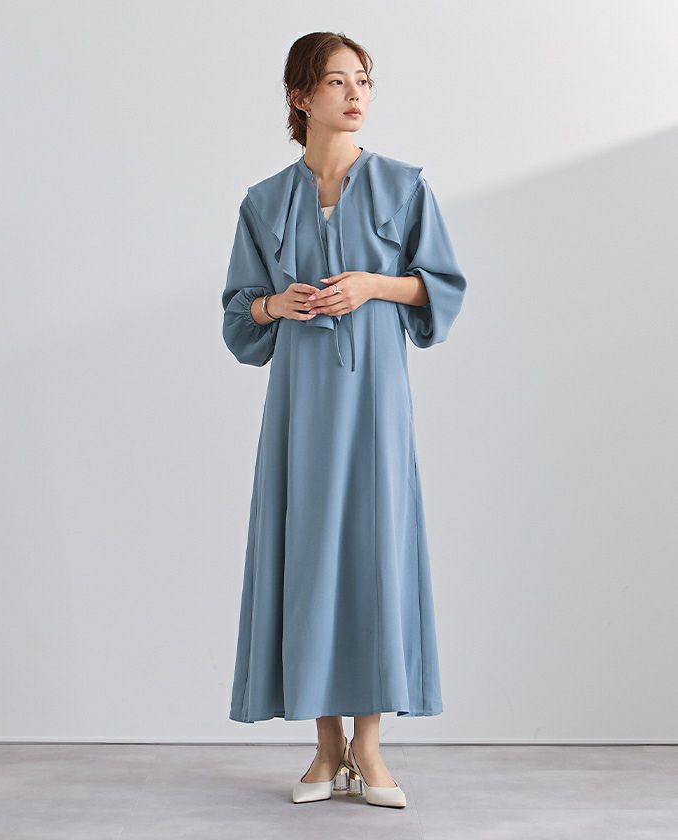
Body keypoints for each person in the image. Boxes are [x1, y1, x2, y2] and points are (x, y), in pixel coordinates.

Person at [221, 31, 467, 809]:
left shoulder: (403, 186)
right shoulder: (264, 202)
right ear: (301, 97)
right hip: (300, 409)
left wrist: (372, 285)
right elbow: (238, 318)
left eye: (362, 80)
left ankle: (371, 747)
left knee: (374, 551)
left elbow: (442, 287)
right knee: (307, 556)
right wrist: (275, 303)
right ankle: (325, 748)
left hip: (376, 406)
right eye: (336, 81)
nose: (356, 94)